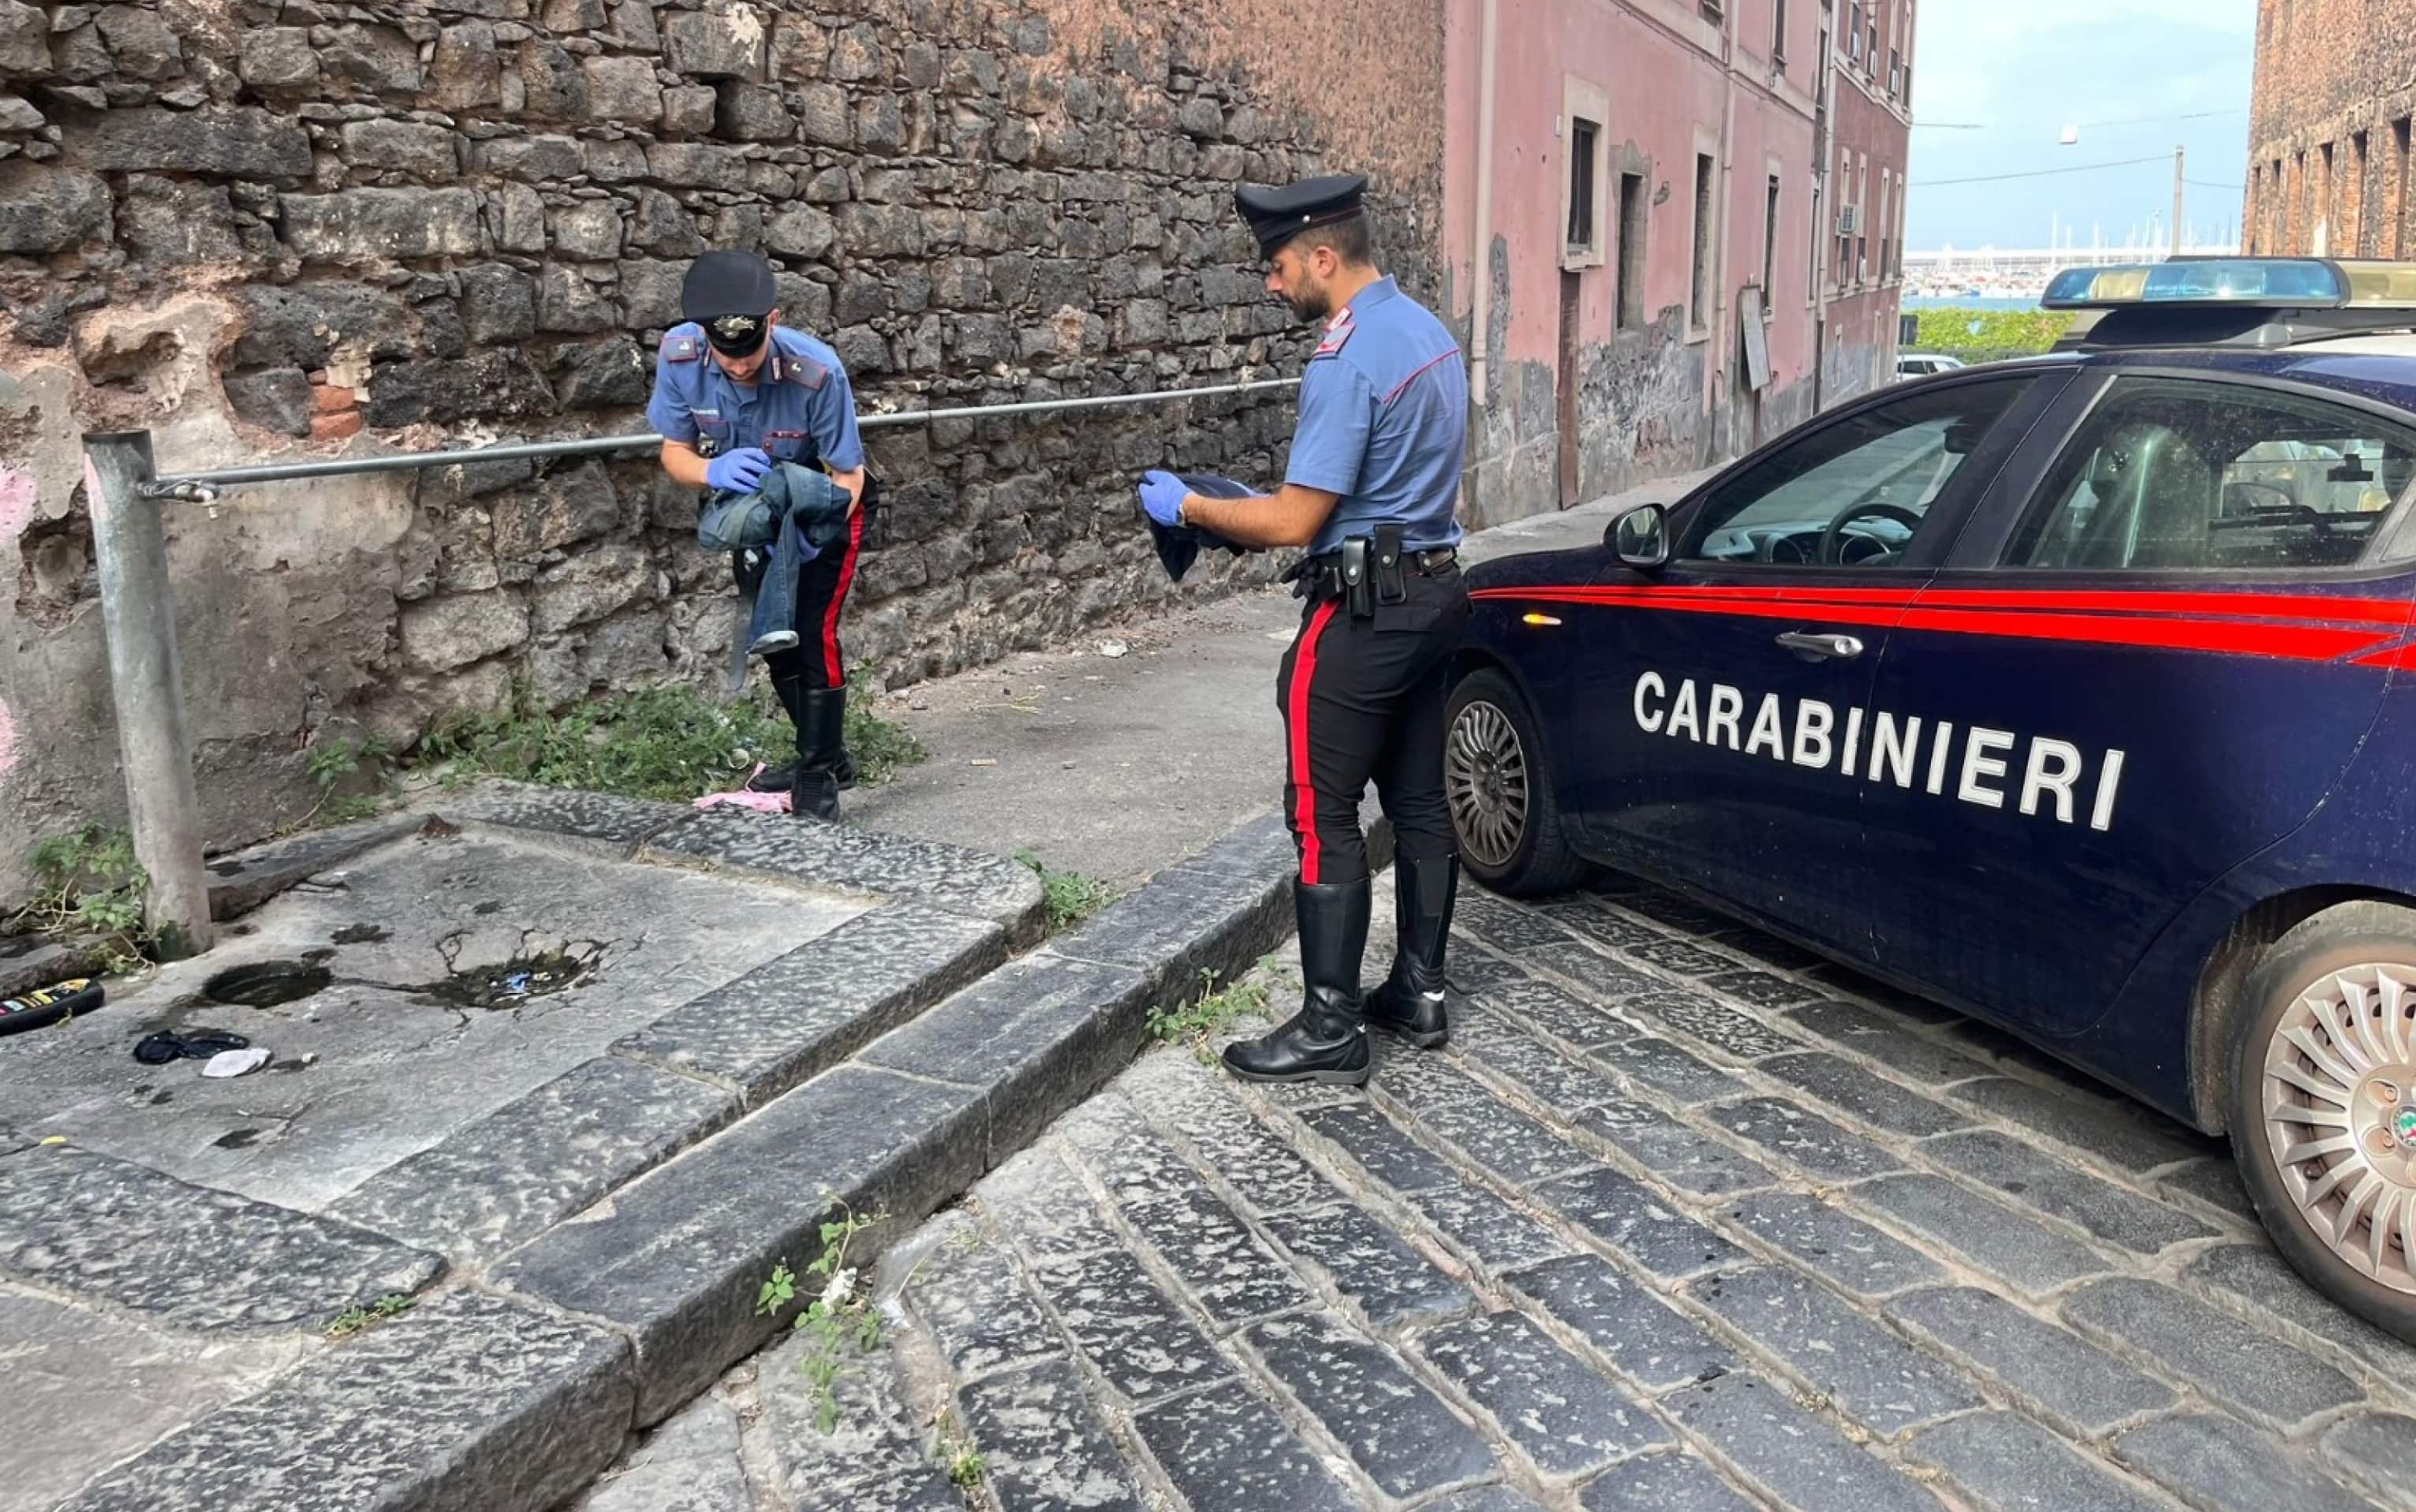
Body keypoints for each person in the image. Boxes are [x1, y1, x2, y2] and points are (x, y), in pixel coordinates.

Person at [1137, 174, 1471, 1086]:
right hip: (1439, 593)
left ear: (1324, 256)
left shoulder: (1346, 356)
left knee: (1322, 816)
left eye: (1279, 267)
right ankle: (1419, 991)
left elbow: (1292, 522)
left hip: (1363, 614)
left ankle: (1331, 1024)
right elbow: (1388, 492)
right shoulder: (1430, 333)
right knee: (1420, 804)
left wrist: (1195, 507)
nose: (1272, 285)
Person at [647, 250, 869, 821]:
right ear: (703, 336)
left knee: (814, 635)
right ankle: (829, 754)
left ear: (771, 321)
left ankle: (818, 776)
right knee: (776, 641)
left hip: (825, 512)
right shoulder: (679, 358)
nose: (740, 367)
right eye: (726, 355)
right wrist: (711, 472)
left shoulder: (818, 371)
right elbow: (675, 451)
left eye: (749, 352)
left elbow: (848, 472)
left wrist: (819, 531)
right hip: (751, 514)